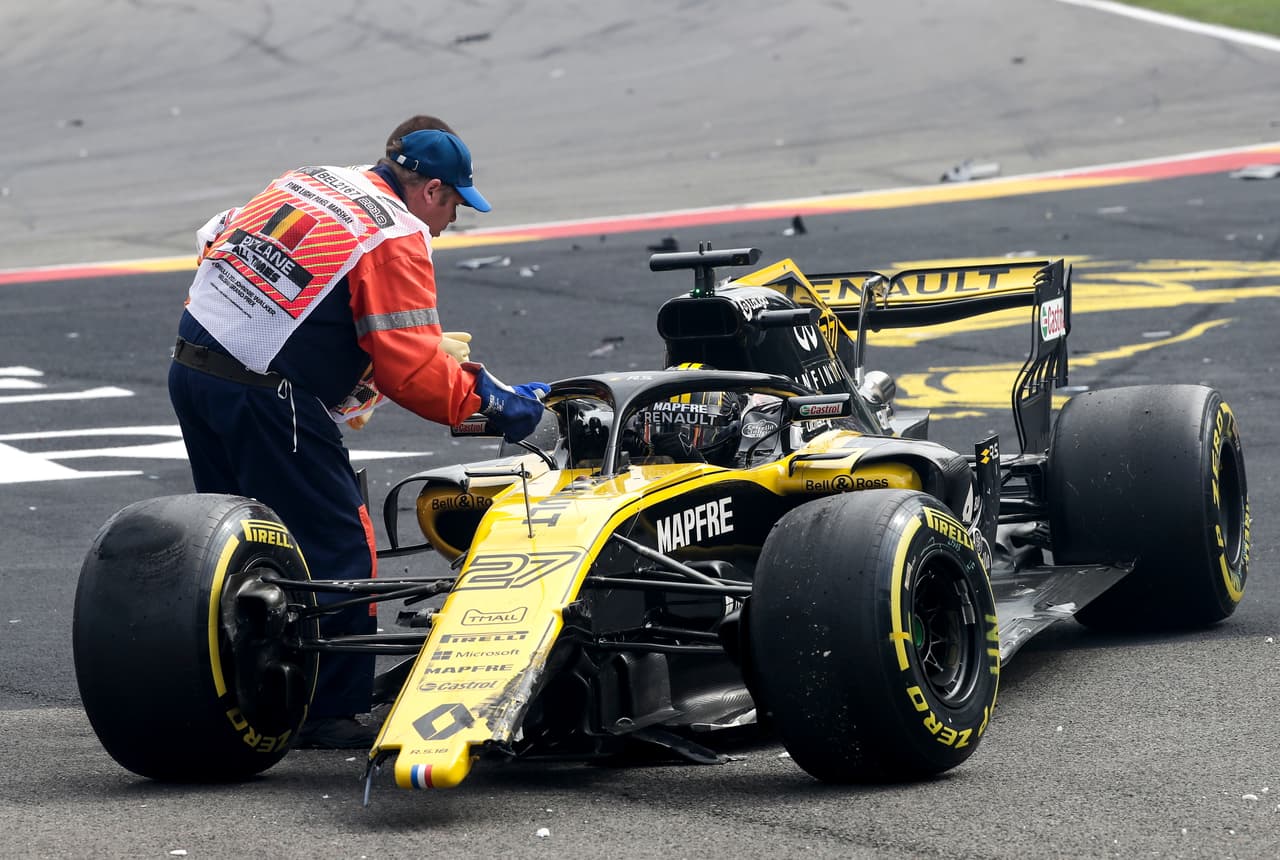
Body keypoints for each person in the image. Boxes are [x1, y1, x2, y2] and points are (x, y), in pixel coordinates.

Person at [168, 115, 547, 749]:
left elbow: (215, 242)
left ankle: (230, 683)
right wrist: (494, 405)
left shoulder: (308, 180)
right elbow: (413, 368)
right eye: (454, 203)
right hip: (266, 394)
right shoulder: (395, 234)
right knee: (337, 543)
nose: (451, 220)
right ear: (430, 191)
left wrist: (334, 358)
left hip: (193, 368)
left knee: (232, 544)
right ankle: (328, 710)